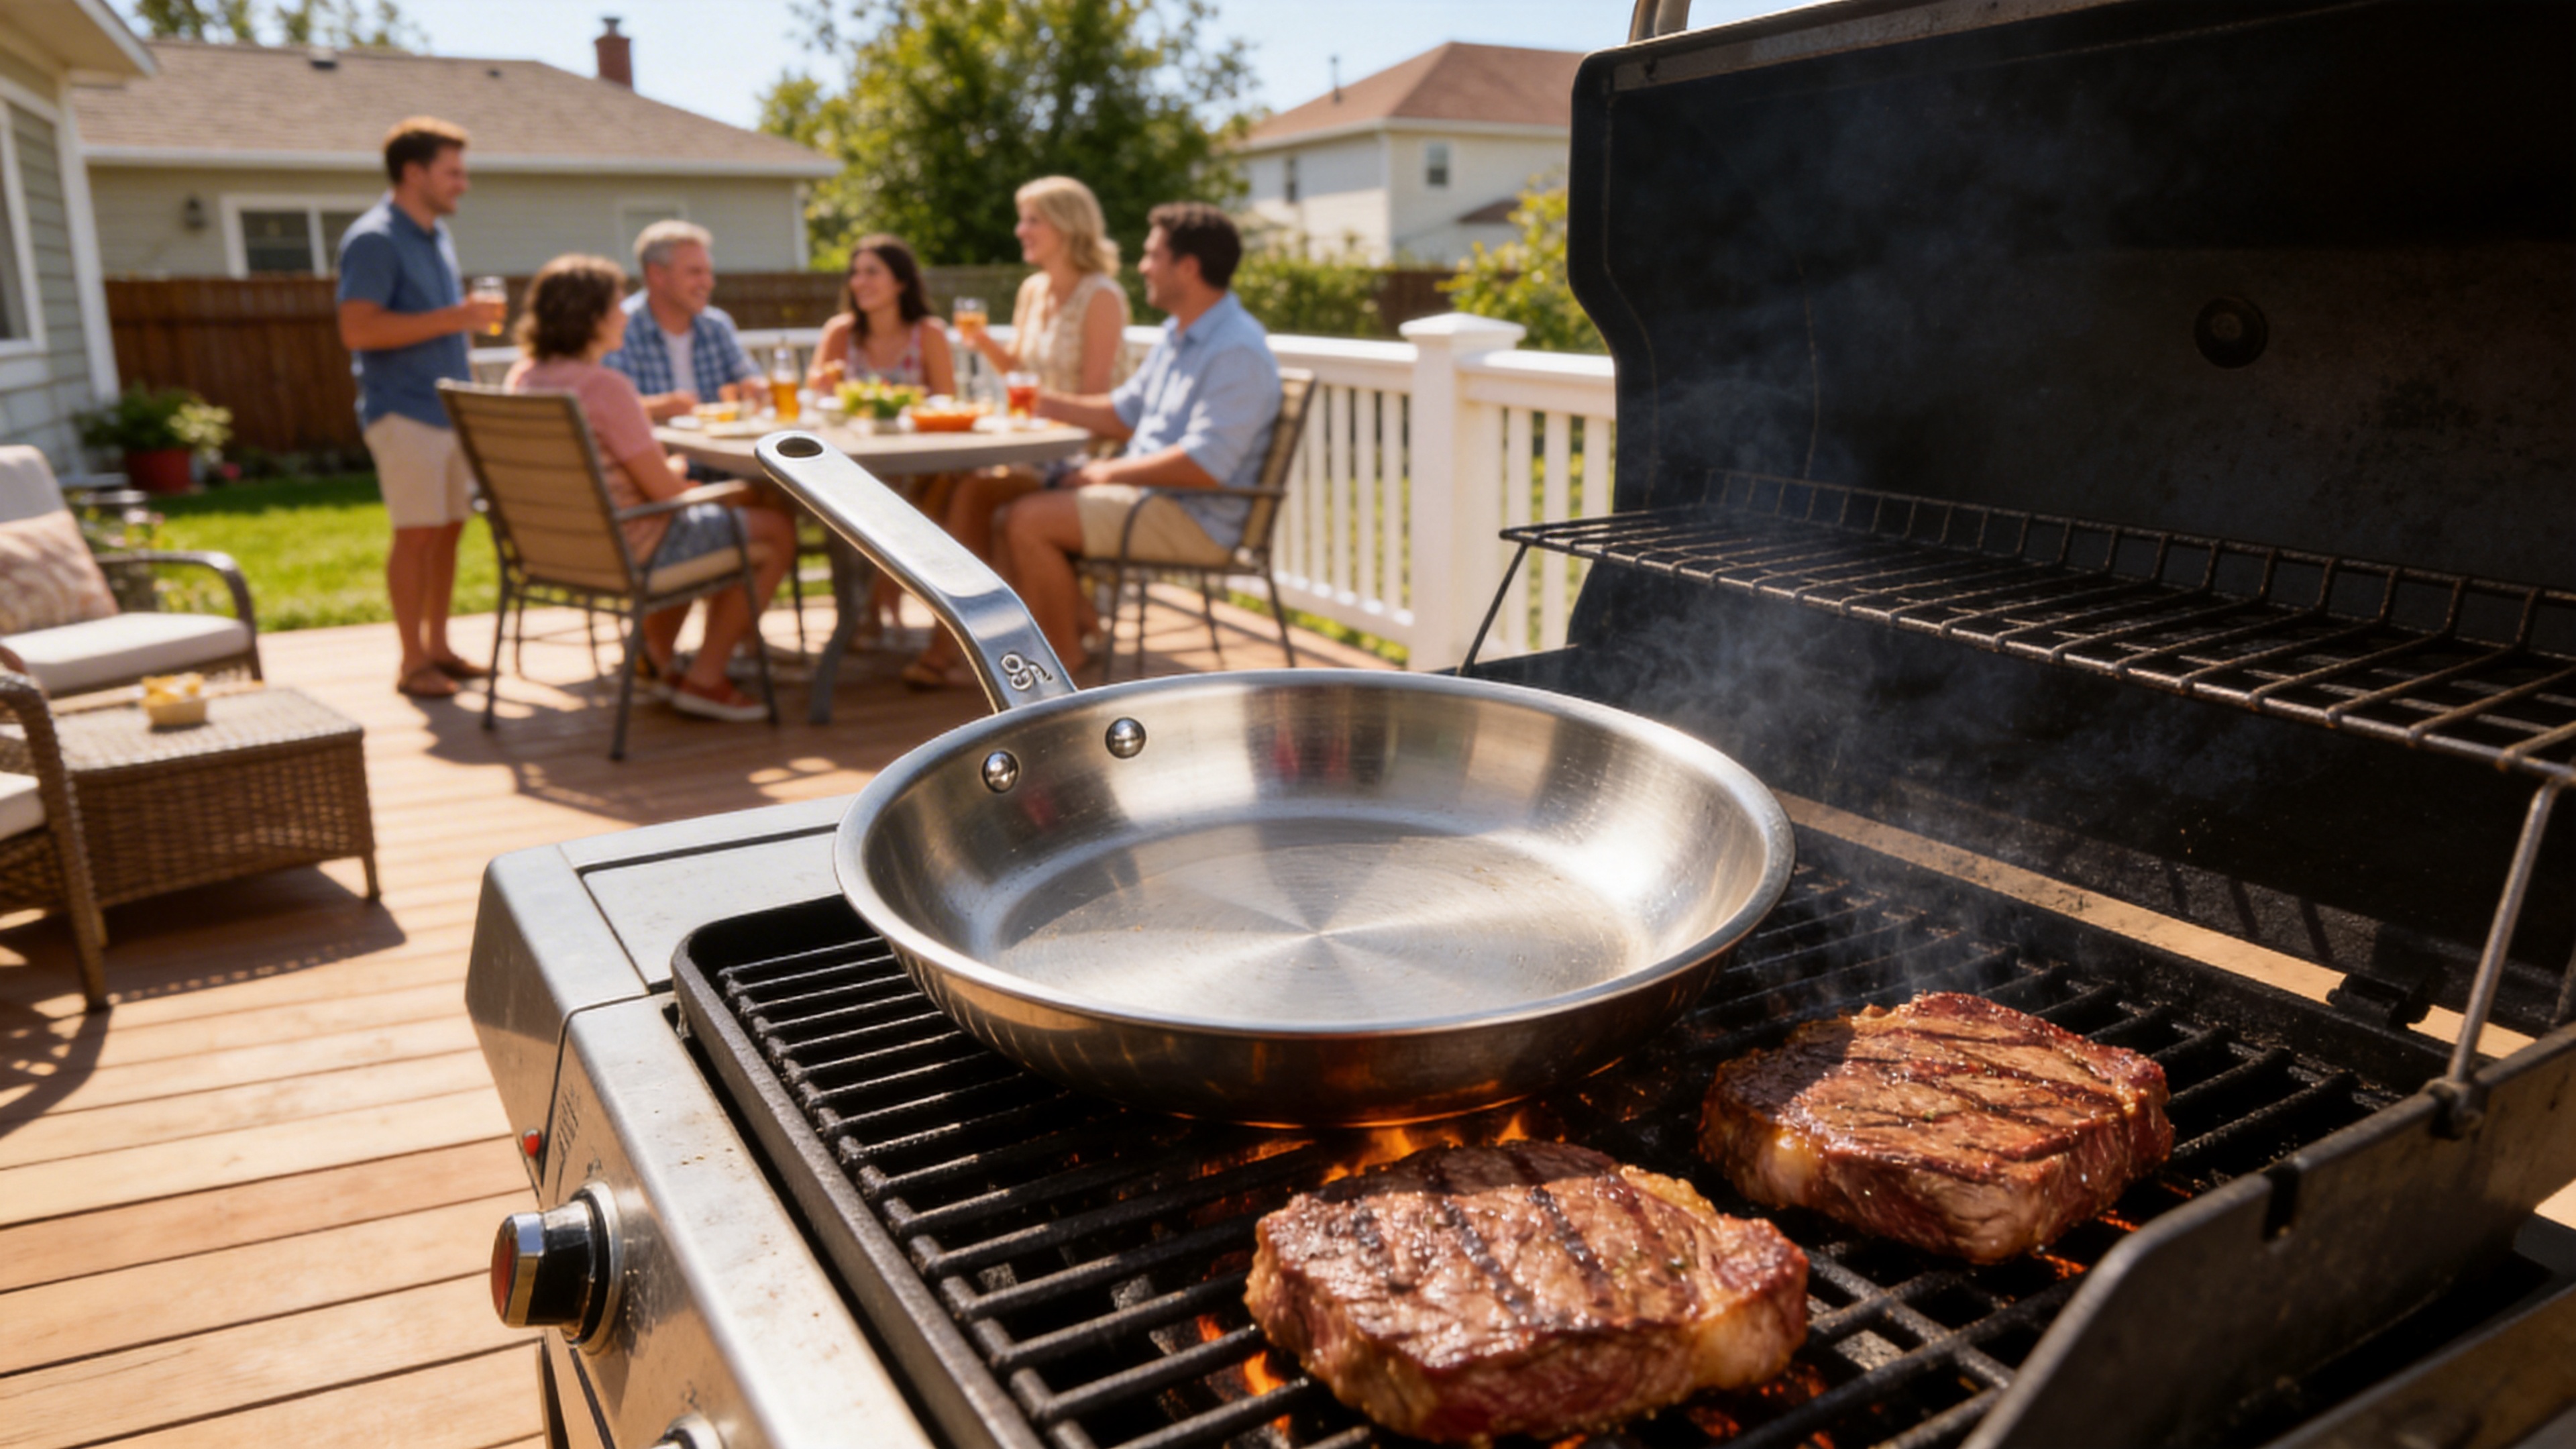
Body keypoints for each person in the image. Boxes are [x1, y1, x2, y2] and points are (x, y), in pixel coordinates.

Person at [983, 203, 1279, 678]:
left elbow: (1207, 464)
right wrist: (1043, 402)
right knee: (999, 504)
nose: (1142, 267)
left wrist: (1103, 472)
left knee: (1027, 521)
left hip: (1194, 515)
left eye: (1152, 255)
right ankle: (1061, 638)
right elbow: (1123, 413)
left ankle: (1063, 667)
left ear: (1188, 267)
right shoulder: (1180, 334)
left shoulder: (1236, 349)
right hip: (1151, 498)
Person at [504, 254, 794, 723]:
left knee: (728, 507)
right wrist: (681, 473)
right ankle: (706, 677)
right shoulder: (607, 388)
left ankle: (655, 660)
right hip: (631, 545)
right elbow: (668, 495)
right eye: (617, 306)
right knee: (776, 528)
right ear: (592, 318)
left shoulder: (525, 378)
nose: (626, 315)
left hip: (555, 547)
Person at [335, 116, 504, 700]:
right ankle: (411, 663)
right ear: (415, 172)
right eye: (453, 172)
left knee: (450, 531)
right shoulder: (375, 239)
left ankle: (438, 646)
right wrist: (458, 317)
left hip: (447, 410)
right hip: (403, 413)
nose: (464, 184)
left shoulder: (433, 234)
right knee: (416, 536)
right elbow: (357, 329)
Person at [931, 176, 1134, 576]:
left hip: (1082, 453)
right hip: (1034, 446)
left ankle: (969, 627)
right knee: (947, 484)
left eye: (1032, 221)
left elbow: (1094, 398)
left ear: (1067, 224)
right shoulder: (1033, 290)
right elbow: (1020, 374)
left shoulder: (1102, 297)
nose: (1020, 231)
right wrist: (986, 344)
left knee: (974, 494)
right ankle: (1043, 614)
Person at [601, 220, 762, 424]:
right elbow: (602, 404)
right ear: (657, 274)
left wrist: (756, 390)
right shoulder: (620, 325)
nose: (708, 283)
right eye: (695, 272)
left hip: (713, 451)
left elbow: (749, 380)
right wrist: (662, 407)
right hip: (656, 452)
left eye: (708, 272)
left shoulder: (716, 325)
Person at [805, 235, 957, 397]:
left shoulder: (929, 333)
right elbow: (815, 392)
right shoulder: (840, 331)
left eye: (872, 272)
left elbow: (946, 401)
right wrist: (821, 383)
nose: (859, 282)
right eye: (855, 273)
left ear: (901, 282)